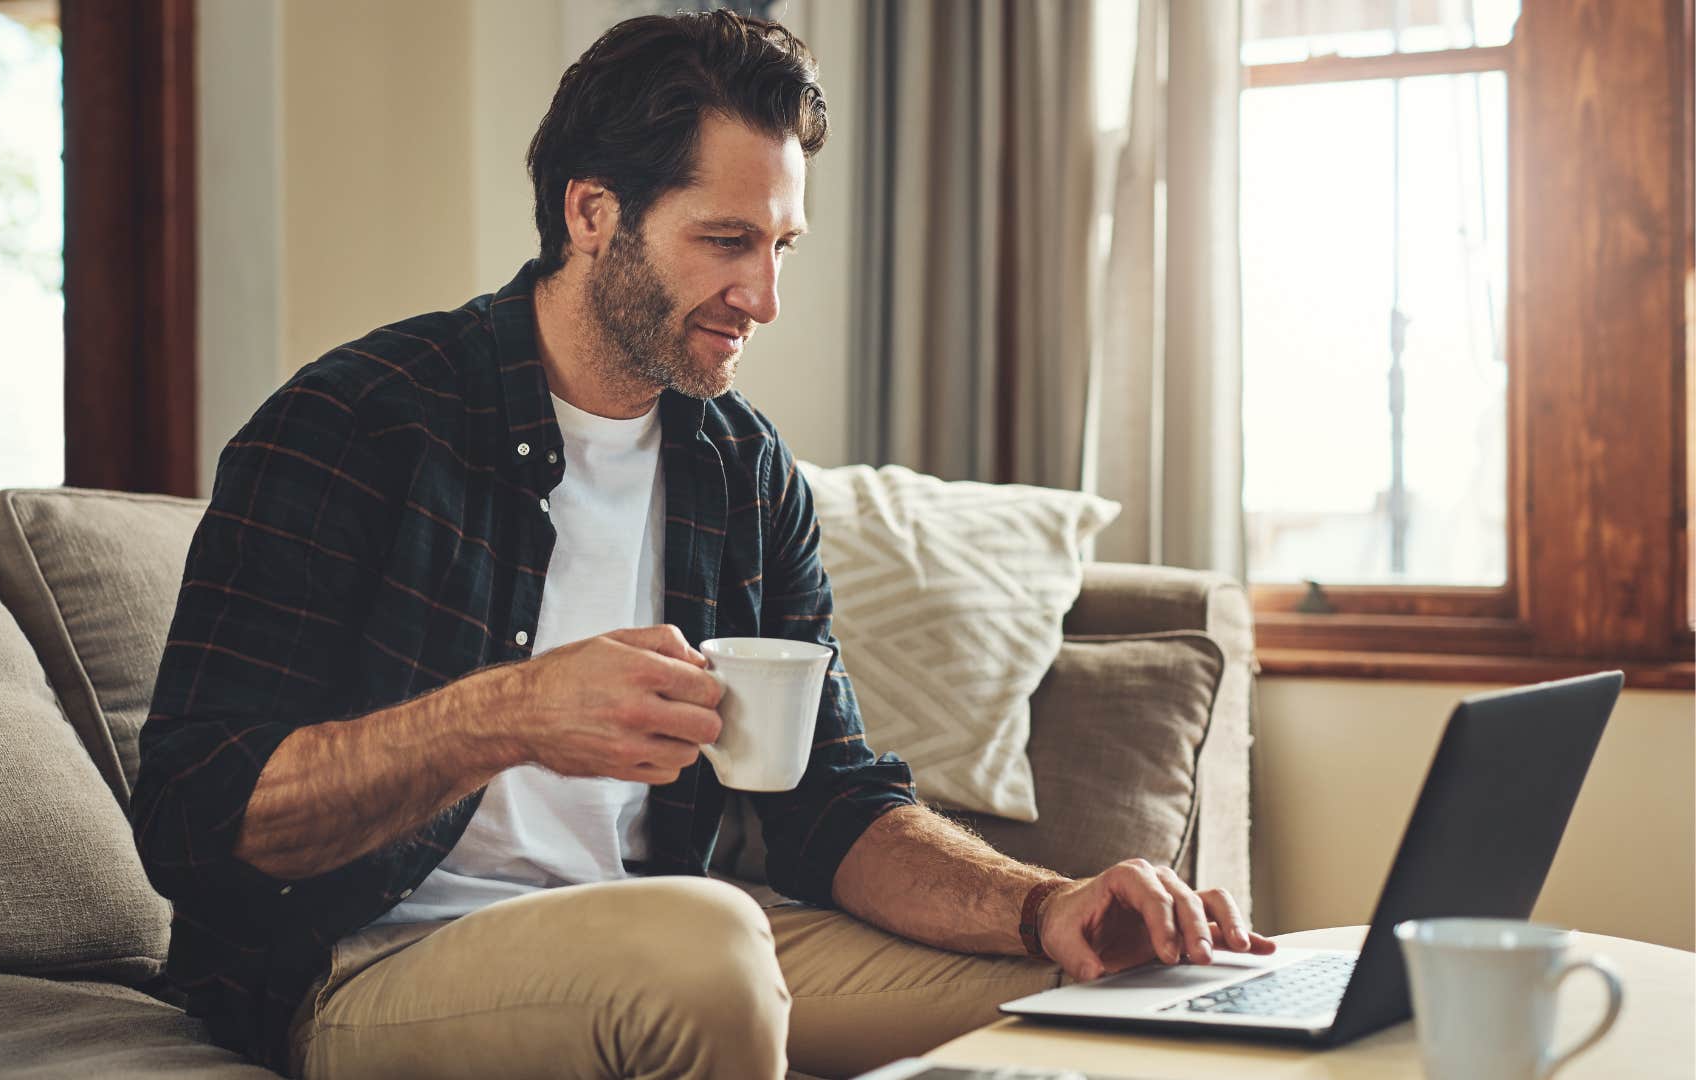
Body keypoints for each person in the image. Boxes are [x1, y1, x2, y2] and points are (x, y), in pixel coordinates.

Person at [131, 12, 1273, 1078]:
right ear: (591, 215)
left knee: (1109, 999)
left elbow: (833, 803)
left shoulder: (739, 467)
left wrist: (1048, 906)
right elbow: (194, 818)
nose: (763, 296)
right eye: (726, 240)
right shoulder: (356, 422)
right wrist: (512, 711)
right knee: (705, 948)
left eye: (783, 244)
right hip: (362, 961)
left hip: (680, 919)